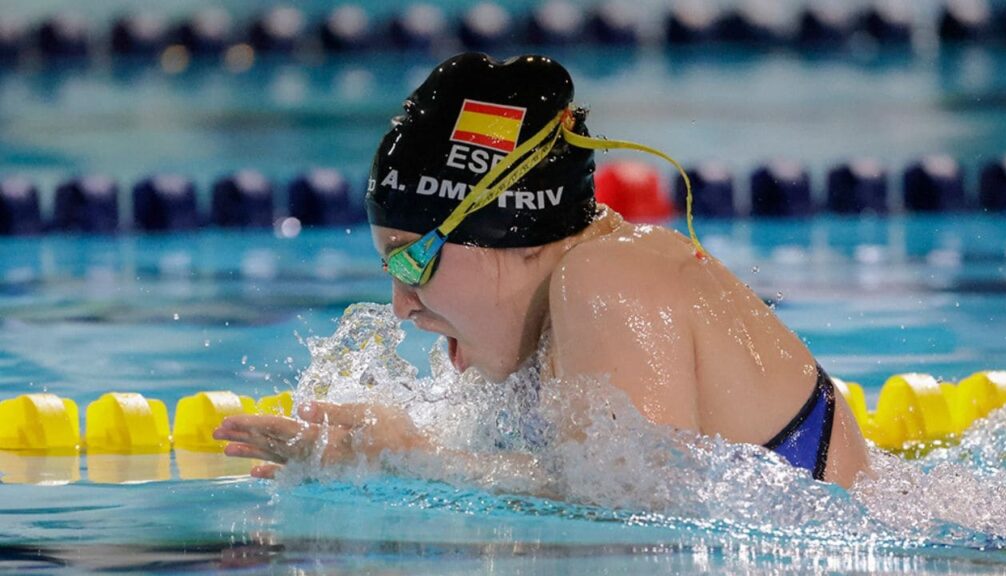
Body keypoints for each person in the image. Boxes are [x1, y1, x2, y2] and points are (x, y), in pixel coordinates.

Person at [214, 52, 872, 488]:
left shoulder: (606, 279)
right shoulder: (552, 330)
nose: (401, 306)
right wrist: (374, 458)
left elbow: (644, 516)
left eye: (413, 259)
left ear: (510, 234)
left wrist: (409, 463)